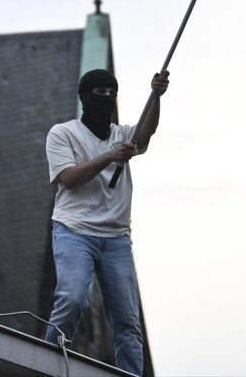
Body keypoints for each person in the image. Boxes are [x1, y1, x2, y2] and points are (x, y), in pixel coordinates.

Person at [44, 67, 169, 376]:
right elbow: (69, 178)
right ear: (85, 97)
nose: (107, 99)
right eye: (100, 93)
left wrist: (156, 95)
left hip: (116, 238)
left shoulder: (122, 135)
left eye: (112, 94)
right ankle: (44, 362)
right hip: (74, 231)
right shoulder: (63, 133)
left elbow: (145, 131)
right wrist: (109, 157)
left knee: (127, 320)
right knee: (72, 299)